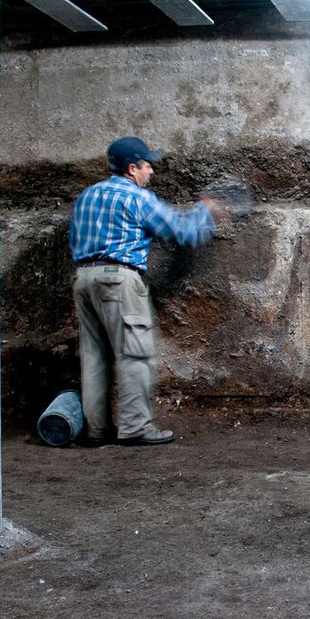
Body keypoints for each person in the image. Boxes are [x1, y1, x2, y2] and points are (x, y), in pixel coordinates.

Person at [69, 136, 228, 446]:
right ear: (132, 168)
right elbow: (182, 231)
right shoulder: (137, 199)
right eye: (147, 165)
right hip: (120, 279)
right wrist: (205, 211)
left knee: (94, 357)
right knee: (134, 353)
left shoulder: (87, 196)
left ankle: (96, 430)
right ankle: (135, 428)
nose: (151, 171)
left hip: (84, 280)